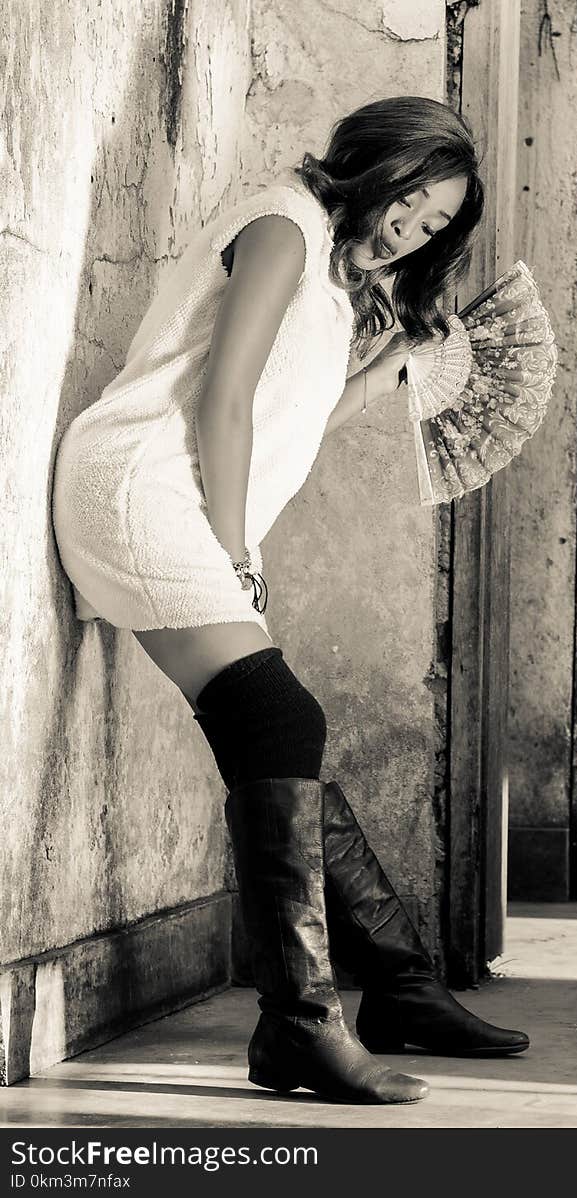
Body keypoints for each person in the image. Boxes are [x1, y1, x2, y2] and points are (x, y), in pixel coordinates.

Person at [51, 95, 529, 1107]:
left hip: (185, 495)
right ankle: (306, 1024)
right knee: (281, 717)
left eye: (436, 223)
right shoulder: (281, 224)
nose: (414, 227)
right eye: (412, 199)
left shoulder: (335, 271)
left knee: (277, 738)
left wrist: (386, 368)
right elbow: (224, 394)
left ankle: (394, 985)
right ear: (376, 162)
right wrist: (234, 547)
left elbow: (293, 416)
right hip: (138, 482)